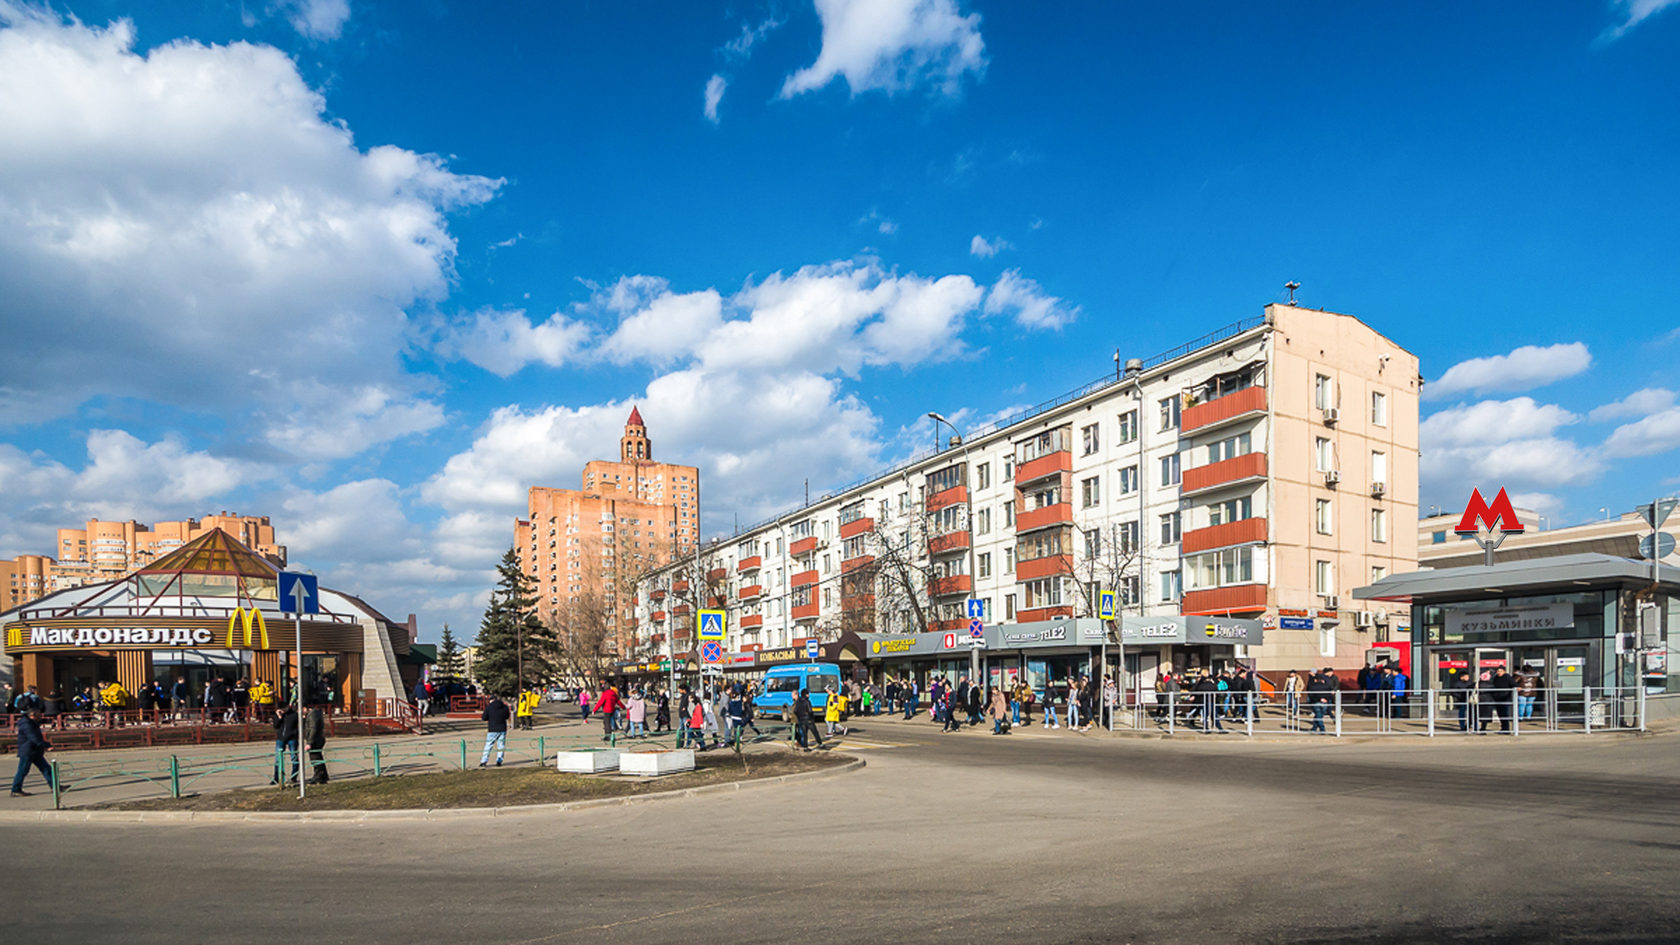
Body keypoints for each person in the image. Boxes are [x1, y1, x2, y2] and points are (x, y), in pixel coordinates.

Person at [11, 707, 54, 797]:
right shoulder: (27, 724)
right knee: (23, 771)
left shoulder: (31, 723)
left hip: (34, 751)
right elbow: (34, 738)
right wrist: (46, 745)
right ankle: (16, 789)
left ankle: (55, 786)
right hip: (28, 751)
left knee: (47, 769)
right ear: (32, 715)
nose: (41, 715)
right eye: (38, 713)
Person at [271, 703, 300, 784]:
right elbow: (276, 726)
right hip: (281, 738)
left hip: (292, 738)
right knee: (278, 759)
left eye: (284, 709)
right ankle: (277, 778)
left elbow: (300, 724)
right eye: (281, 709)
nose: (283, 711)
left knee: (294, 757)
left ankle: (293, 777)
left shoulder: (294, 715)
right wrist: (279, 717)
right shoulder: (278, 715)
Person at [479, 694, 510, 766]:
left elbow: (484, 717)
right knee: (501, 745)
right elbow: (507, 716)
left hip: (492, 729)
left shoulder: (489, 707)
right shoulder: (504, 707)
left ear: (491, 700)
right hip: (502, 728)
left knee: (488, 745)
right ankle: (499, 760)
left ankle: (484, 761)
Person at [302, 704, 329, 784]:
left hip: (315, 740)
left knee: (315, 758)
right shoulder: (314, 714)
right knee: (317, 757)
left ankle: (319, 775)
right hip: (317, 739)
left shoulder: (313, 714)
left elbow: (313, 728)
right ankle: (323, 775)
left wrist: (310, 742)